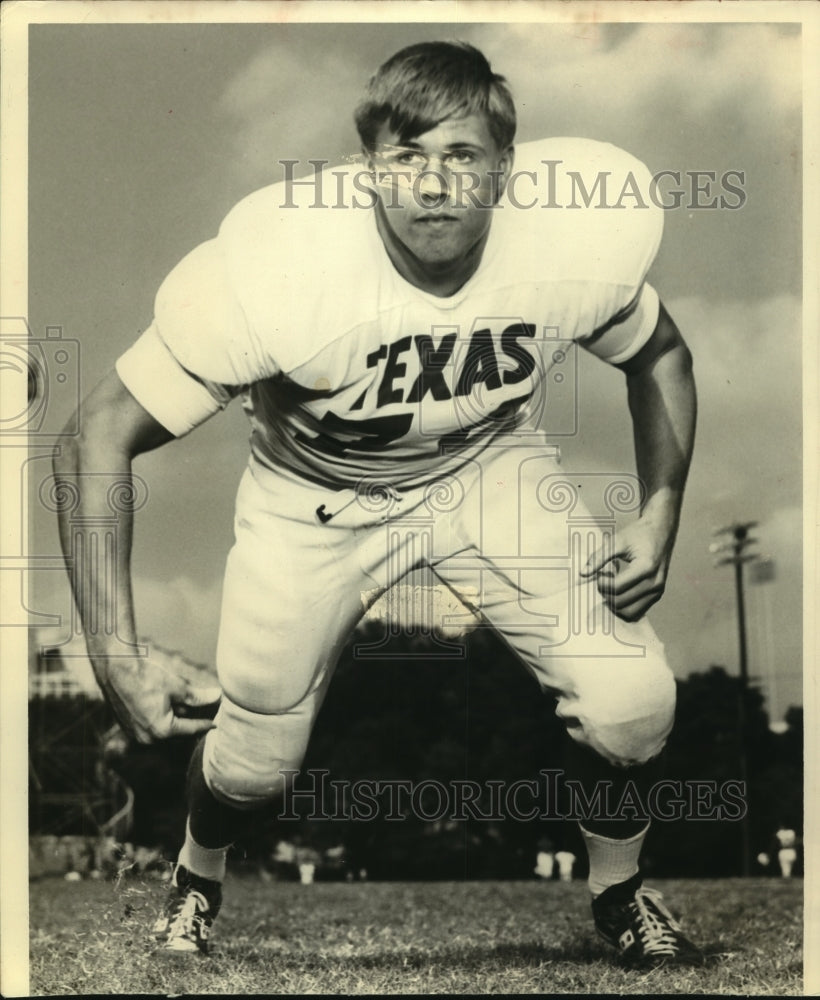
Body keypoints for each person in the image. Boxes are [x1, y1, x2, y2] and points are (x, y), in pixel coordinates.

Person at [54, 41, 702, 968]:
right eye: (408, 158)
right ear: (368, 171)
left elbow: (660, 354)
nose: (435, 186)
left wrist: (662, 508)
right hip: (313, 503)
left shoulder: (565, 248)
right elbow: (93, 436)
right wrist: (113, 652)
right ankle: (197, 875)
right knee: (253, 764)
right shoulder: (285, 269)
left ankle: (621, 894)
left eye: (462, 156)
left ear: (507, 169)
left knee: (634, 703)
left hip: (488, 472)